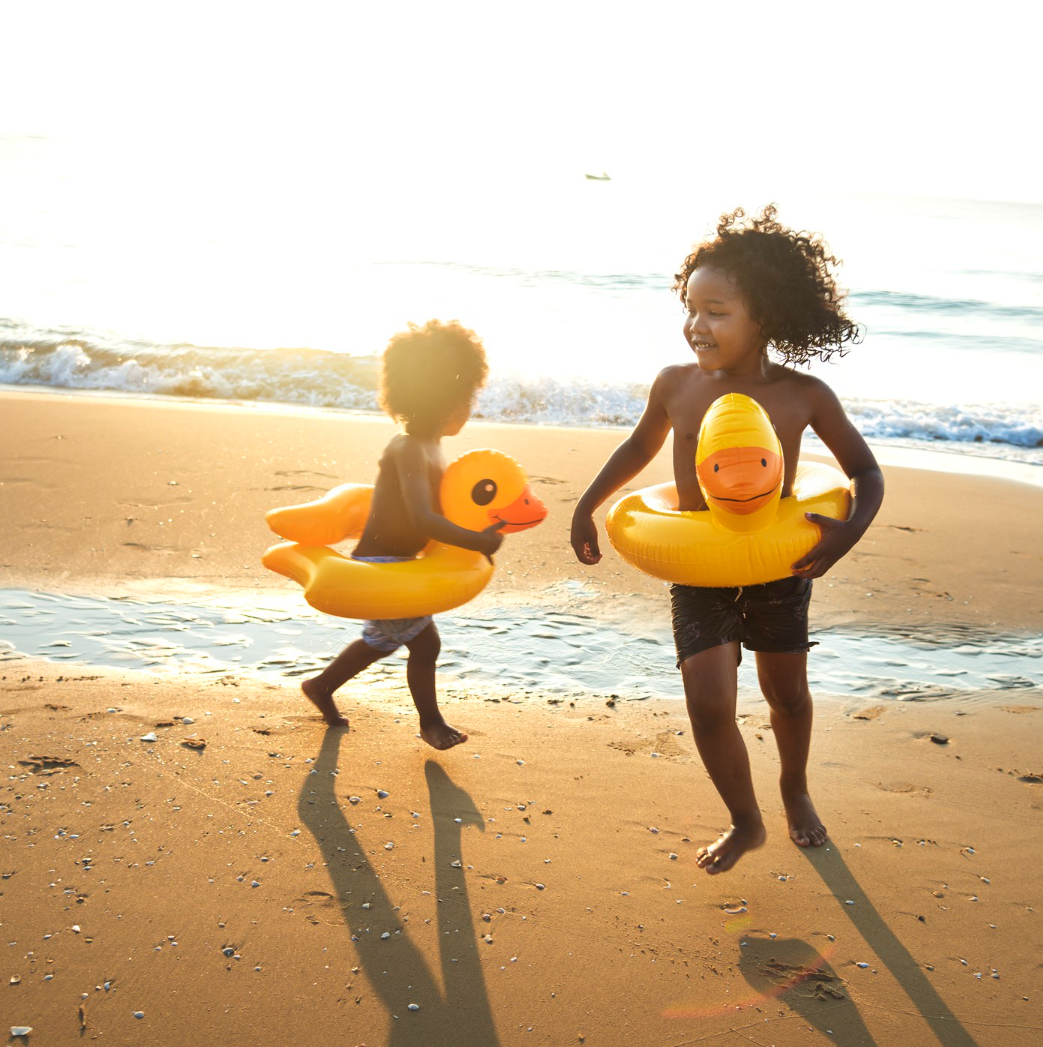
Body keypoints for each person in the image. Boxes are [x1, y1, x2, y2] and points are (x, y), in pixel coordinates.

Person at [570, 206, 885, 874]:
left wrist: (850, 530)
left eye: (716, 312)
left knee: (786, 695)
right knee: (709, 705)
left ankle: (794, 786)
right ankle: (746, 820)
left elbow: (865, 471)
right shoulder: (676, 385)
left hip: (779, 566)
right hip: (701, 567)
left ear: (764, 316)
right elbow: (639, 447)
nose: (697, 325)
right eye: (690, 309)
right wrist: (588, 504)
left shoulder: (802, 395)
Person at [301, 320, 504, 749]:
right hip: (382, 566)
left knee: (381, 641)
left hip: (401, 565)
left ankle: (321, 686)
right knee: (425, 645)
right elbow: (423, 518)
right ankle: (431, 723)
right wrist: (479, 542)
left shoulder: (432, 447)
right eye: (466, 399)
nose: (470, 408)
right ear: (442, 400)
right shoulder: (409, 448)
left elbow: (444, 512)